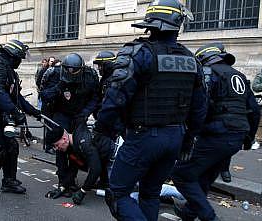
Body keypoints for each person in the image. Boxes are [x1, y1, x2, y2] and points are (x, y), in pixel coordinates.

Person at [93, 0, 207, 220]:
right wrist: (188, 139)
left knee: (117, 193)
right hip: (175, 138)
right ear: (178, 24)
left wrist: (102, 131)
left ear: (150, 24)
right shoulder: (192, 60)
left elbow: (115, 97)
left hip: (142, 137)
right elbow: (200, 108)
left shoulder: (138, 53)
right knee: (150, 193)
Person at [172, 42, 260, 221]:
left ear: (204, 58)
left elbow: (199, 107)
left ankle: (209, 217)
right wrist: (249, 138)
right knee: (204, 175)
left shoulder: (208, 73)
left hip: (216, 135)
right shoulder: (240, 76)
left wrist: (190, 134)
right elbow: (254, 110)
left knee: (180, 174)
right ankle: (189, 212)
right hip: (237, 135)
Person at [0, 39, 41, 197]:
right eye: (20, 58)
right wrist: (16, 112)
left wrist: (34, 112)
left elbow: (16, 97)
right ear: (12, 56)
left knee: (12, 147)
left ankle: (9, 181)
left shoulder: (9, 70)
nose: (21, 61)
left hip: (1, 117)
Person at [40, 53, 100, 189]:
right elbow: (44, 95)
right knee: (61, 147)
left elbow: (95, 98)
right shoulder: (55, 73)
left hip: (79, 116)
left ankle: (71, 179)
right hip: (62, 115)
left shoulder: (90, 76)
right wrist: (58, 88)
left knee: (76, 148)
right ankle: (63, 180)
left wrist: (85, 113)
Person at [44, 120, 114, 205]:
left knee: (118, 191)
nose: (56, 148)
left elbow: (95, 169)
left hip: (112, 157)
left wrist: (83, 191)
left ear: (64, 139)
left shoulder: (83, 143)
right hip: (101, 157)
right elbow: (73, 168)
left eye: (56, 145)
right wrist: (62, 188)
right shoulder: (71, 146)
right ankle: (104, 183)